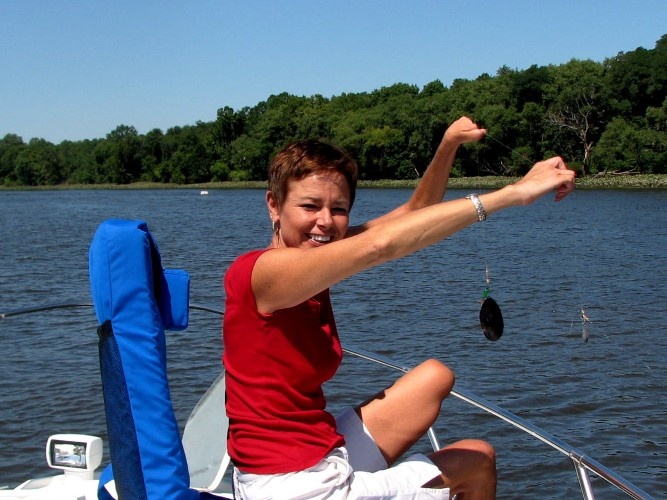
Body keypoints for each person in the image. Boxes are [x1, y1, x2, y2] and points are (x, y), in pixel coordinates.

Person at [222, 116, 575, 499]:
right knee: (478, 459)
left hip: (317, 449)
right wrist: (514, 193)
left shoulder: (315, 256)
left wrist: (448, 144)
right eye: (310, 206)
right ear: (274, 205)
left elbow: (414, 214)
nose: (325, 222)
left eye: (339, 209)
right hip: (290, 485)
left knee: (434, 377)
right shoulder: (263, 273)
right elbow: (381, 245)